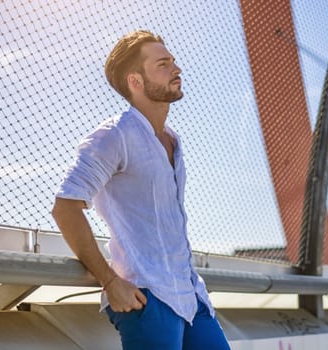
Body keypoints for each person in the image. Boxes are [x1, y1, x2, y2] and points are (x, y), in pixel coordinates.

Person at [51, 30, 230, 350]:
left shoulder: (173, 139)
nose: (177, 69)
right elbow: (65, 207)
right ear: (135, 81)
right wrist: (109, 281)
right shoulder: (114, 135)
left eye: (174, 61)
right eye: (163, 64)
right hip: (147, 297)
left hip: (191, 297)